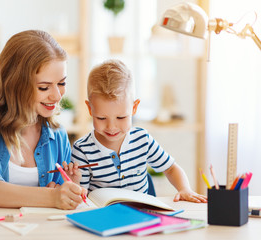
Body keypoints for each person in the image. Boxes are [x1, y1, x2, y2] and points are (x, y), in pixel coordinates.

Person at [0, 30, 86, 209]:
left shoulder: (57, 134)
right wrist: (52, 197)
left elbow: (61, 194)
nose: (56, 96)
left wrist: (70, 191)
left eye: (61, 83)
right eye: (44, 87)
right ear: (15, 85)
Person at [69, 59, 207, 203]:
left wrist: (184, 189)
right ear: (90, 109)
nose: (111, 127)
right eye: (102, 118)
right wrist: (74, 183)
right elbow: (80, 198)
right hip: (104, 218)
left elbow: (171, 168)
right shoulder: (82, 150)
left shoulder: (142, 139)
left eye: (121, 117)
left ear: (134, 108)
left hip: (142, 214)